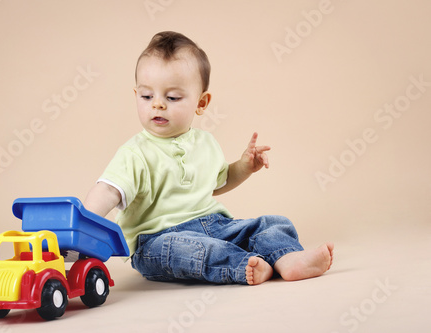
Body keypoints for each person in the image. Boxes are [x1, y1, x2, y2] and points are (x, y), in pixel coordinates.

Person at [84, 31, 333, 285]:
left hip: (215, 225)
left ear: (201, 103)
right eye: (147, 96)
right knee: (187, 250)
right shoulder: (134, 153)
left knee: (273, 223)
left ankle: (287, 258)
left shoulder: (206, 143)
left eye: (172, 98)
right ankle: (242, 265)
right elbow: (107, 191)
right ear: (136, 94)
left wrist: (244, 167)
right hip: (156, 240)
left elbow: (219, 182)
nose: (157, 104)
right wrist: (84, 224)